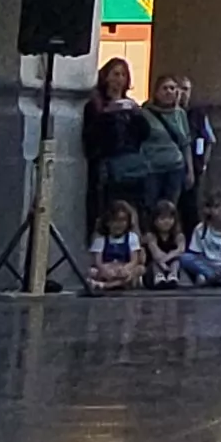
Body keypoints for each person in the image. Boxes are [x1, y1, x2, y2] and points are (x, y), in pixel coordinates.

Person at [81, 57, 145, 220]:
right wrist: (108, 113)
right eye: (115, 74)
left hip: (129, 162)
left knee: (131, 207)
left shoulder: (130, 104)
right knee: (106, 209)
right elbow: (92, 135)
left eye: (123, 75)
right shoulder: (96, 104)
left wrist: (137, 115)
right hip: (106, 164)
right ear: (106, 76)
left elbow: (143, 134)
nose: (119, 79)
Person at [85, 199, 149, 293]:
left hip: (124, 268)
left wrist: (126, 268)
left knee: (140, 269)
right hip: (108, 267)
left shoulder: (132, 237)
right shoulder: (101, 239)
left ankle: (106, 285)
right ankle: (115, 283)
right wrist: (105, 269)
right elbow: (98, 261)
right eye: (115, 221)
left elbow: (134, 259)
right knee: (92, 271)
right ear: (107, 222)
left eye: (122, 221)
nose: (119, 225)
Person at [143, 198, 189, 289]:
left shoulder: (178, 235)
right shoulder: (151, 236)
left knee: (176, 261)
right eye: (162, 218)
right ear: (154, 220)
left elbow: (180, 250)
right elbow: (156, 254)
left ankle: (173, 277)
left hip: (171, 268)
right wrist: (162, 264)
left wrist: (167, 259)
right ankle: (159, 278)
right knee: (154, 263)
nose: (167, 222)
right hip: (152, 271)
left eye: (170, 218)